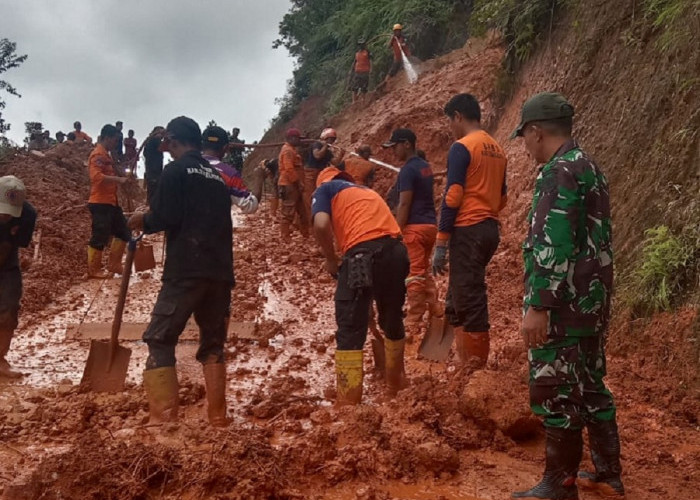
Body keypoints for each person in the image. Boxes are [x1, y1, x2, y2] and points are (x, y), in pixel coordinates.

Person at [510, 92, 624, 500]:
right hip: (591, 301)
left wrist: (539, 304)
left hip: (563, 304)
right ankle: (609, 474)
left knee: (554, 390)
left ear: (536, 132)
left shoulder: (558, 172)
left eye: (524, 136)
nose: (524, 145)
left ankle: (559, 485)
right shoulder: (589, 166)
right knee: (591, 384)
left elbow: (554, 243)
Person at [127, 116, 233, 427]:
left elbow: (164, 216)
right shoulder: (217, 178)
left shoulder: (175, 171)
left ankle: (164, 422)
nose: (169, 152)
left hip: (185, 270)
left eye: (169, 146)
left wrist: (141, 221)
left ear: (174, 141)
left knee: (160, 338)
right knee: (213, 344)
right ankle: (218, 418)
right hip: (220, 273)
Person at [312, 166, 409, 404]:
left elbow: (321, 224)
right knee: (392, 319)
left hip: (360, 255)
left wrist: (331, 260)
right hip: (396, 251)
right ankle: (395, 387)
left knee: (349, 327)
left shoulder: (325, 189)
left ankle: (348, 404)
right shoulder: (365, 191)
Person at [432, 93, 507, 368]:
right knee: (459, 292)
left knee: (471, 295)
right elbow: (503, 198)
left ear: (458, 117)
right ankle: (465, 363)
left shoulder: (462, 147)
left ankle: (475, 372)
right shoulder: (497, 148)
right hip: (489, 229)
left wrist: (441, 243)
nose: (451, 128)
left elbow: (452, 196)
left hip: (469, 229)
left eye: (450, 121)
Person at [383, 129, 439, 339]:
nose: (393, 152)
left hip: (414, 228)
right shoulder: (425, 167)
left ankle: (413, 322)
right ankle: (436, 310)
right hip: (430, 227)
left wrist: (396, 231)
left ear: (406, 144)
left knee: (414, 274)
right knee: (424, 270)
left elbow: (404, 202)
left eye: (395, 146)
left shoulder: (407, 170)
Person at [0, 176, 37, 378]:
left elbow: (18, 242)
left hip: (7, 261)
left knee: (9, 306)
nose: (6, 216)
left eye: (10, 213)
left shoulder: (27, 214)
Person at [86, 124, 132, 279]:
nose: (116, 144)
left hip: (111, 202)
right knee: (99, 235)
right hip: (100, 202)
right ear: (107, 137)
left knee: (123, 231)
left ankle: (114, 264)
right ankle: (94, 269)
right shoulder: (98, 155)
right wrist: (118, 179)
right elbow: (96, 178)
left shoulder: (107, 155)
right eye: (114, 140)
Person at [202, 125, 260, 214]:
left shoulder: (181, 168)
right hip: (217, 226)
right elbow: (250, 205)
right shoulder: (229, 173)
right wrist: (260, 177)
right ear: (225, 148)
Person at [304, 128, 343, 220]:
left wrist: (341, 154)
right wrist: (325, 147)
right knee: (309, 197)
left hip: (321, 174)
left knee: (319, 195)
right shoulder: (316, 145)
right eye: (330, 139)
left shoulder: (328, 152)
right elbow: (317, 155)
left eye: (333, 140)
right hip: (310, 174)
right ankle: (310, 223)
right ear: (325, 138)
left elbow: (335, 163)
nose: (332, 142)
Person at [278, 128, 308, 240]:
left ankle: (306, 234)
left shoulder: (291, 150)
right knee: (288, 211)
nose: (299, 141)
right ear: (292, 138)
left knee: (302, 211)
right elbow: (289, 168)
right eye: (298, 138)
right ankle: (285, 236)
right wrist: (298, 182)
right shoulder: (288, 151)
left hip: (293, 185)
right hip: (289, 184)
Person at [143, 126, 165, 204]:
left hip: (150, 172)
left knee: (151, 195)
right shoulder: (155, 140)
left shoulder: (148, 143)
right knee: (154, 196)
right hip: (154, 173)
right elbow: (165, 147)